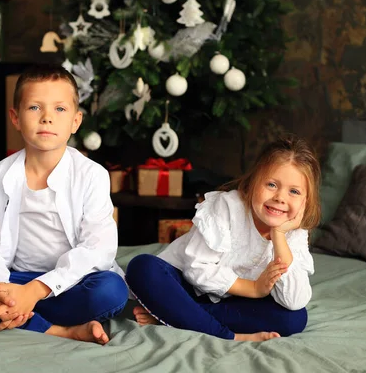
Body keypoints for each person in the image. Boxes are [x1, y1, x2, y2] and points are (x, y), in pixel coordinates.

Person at [0, 64, 127, 345]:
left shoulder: (91, 175)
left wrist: (35, 291)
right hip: (12, 280)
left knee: (110, 290)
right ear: (15, 117)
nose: (46, 118)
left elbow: (98, 250)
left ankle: (19, 312)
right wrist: (2, 290)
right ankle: (58, 329)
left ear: (76, 122)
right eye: (34, 108)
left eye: (59, 109)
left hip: (68, 282)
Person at [125, 135, 321, 342]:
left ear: (305, 201)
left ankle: (173, 315)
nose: (280, 197)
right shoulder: (227, 207)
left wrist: (279, 236)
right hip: (183, 287)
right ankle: (230, 335)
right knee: (142, 267)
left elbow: (294, 300)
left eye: (294, 191)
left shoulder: (294, 232)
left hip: (230, 302)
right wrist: (253, 288)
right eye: (271, 185)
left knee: (295, 318)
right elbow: (196, 269)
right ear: (254, 182)